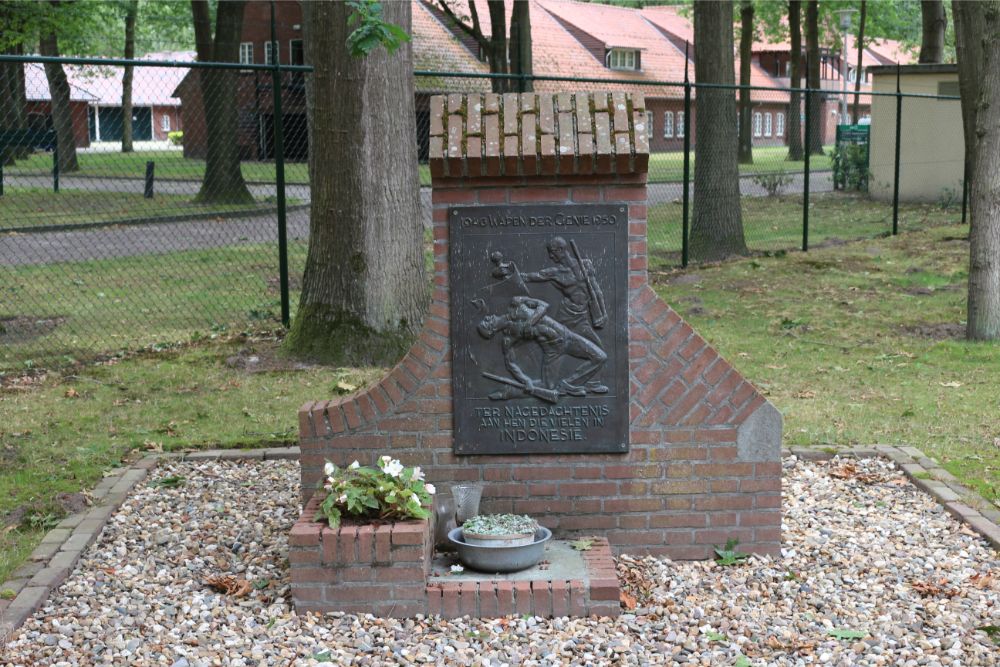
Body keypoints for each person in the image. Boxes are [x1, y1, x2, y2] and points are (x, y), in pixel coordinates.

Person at [477, 296, 608, 400]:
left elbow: (544, 305)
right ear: (492, 330)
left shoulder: (516, 302)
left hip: (567, 335)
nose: (488, 317)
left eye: (485, 318)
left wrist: (529, 323)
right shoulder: (508, 338)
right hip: (553, 351)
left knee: (600, 357)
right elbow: (511, 364)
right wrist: (526, 380)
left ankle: (570, 384)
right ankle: (508, 393)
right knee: (547, 387)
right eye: (487, 323)